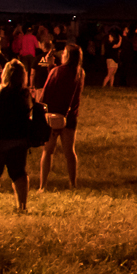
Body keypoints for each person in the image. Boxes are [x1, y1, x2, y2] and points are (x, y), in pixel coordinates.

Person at [0, 60, 35, 213]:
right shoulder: (24, 93)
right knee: (19, 173)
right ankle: (22, 206)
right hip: (18, 139)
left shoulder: (4, 92)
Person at [38, 44, 84, 191]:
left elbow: (46, 92)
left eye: (64, 52)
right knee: (70, 152)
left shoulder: (57, 71)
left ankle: (43, 185)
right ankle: (73, 184)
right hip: (69, 116)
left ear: (67, 55)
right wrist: (51, 67)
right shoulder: (80, 73)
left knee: (48, 151)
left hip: (52, 116)